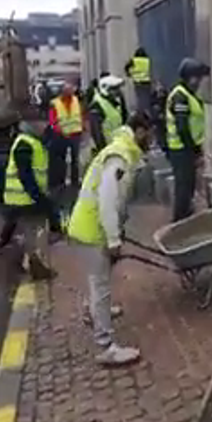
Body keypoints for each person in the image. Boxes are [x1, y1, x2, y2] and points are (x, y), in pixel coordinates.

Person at [65, 111, 154, 366]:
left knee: (99, 280)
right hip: (92, 230)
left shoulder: (122, 152)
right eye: (149, 134)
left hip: (88, 226)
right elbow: (107, 200)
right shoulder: (119, 157)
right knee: (101, 286)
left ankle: (91, 312)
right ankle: (106, 346)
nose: (151, 140)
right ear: (139, 131)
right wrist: (113, 239)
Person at [0, 106, 56, 280]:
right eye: (41, 123)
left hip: (22, 197)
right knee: (34, 231)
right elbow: (26, 175)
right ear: (31, 124)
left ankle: (29, 261)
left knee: (27, 227)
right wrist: (39, 197)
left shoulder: (32, 141)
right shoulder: (25, 144)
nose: (44, 126)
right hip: (25, 197)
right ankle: (34, 266)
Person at [165, 57, 210, 223]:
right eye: (198, 78)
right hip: (181, 149)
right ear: (191, 78)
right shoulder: (180, 97)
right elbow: (182, 128)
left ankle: (185, 217)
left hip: (187, 148)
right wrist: (194, 150)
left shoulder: (188, 95)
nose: (199, 83)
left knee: (188, 186)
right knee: (183, 188)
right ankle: (179, 222)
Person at [47, 80, 85, 196]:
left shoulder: (76, 100)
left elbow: (80, 115)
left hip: (75, 134)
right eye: (67, 91)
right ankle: (61, 182)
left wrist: (82, 128)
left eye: (71, 91)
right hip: (61, 135)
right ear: (62, 92)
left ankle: (74, 182)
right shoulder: (54, 103)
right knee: (61, 160)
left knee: (75, 159)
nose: (69, 93)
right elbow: (52, 120)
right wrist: (59, 131)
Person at [88, 75, 128, 154]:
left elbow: (123, 121)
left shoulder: (116, 102)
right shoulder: (97, 105)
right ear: (106, 90)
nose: (118, 91)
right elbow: (96, 132)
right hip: (106, 148)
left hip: (117, 145)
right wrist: (103, 150)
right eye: (115, 89)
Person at [124, 47, 152, 114]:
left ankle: (140, 111)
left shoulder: (134, 60)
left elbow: (126, 67)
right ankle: (147, 109)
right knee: (146, 96)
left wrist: (129, 73)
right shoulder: (147, 60)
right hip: (147, 81)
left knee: (139, 96)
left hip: (138, 81)